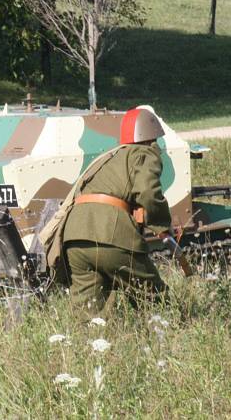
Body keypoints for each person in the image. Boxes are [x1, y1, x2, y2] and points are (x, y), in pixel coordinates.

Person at [61, 107, 178, 316]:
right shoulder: (143, 153)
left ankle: (82, 346)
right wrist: (162, 225)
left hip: (75, 238)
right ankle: (172, 336)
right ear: (152, 138)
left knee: (87, 314)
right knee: (156, 303)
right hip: (111, 236)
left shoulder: (109, 157)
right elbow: (148, 192)